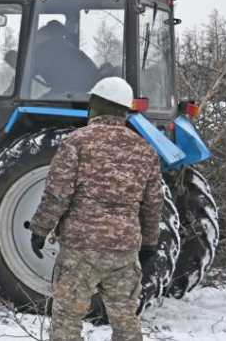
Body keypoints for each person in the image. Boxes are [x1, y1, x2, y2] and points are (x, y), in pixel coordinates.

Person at [29, 76, 163, 341]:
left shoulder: (76, 142)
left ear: (95, 106)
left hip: (81, 250)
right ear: (124, 109)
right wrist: (149, 243)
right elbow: (153, 203)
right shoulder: (145, 149)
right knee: (126, 321)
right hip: (124, 251)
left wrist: (40, 229)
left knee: (67, 322)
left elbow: (58, 194)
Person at [29, 20, 100, 97]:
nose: (35, 43)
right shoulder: (70, 49)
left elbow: (30, 70)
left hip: (73, 94)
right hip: (86, 91)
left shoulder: (47, 49)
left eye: (38, 37)